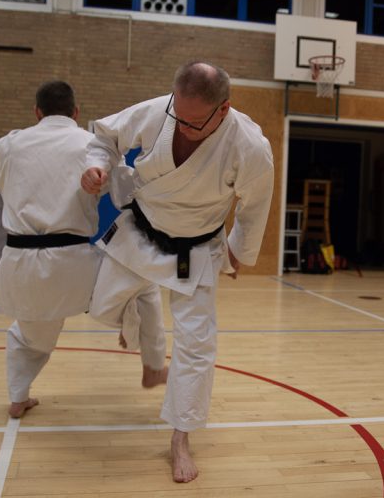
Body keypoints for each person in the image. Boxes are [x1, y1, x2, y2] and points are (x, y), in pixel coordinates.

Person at [81, 61, 274, 482]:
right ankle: (138, 307)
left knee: (197, 346)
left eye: (194, 122)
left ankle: (180, 437)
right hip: (143, 231)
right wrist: (98, 166)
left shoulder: (250, 147)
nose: (182, 127)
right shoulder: (159, 110)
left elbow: (256, 202)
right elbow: (107, 136)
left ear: (222, 110)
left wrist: (240, 249)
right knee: (100, 307)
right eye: (177, 117)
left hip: (197, 248)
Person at [0, 80, 168, 419]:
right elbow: (123, 186)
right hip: (77, 268)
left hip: (20, 265)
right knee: (144, 283)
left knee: (30, 337)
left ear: (37, 112)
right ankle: (139, 340)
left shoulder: (10, 144)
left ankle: (18, 397)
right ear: (76, 111)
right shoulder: (90, 145)